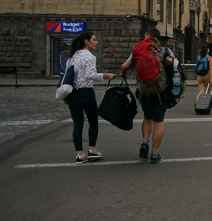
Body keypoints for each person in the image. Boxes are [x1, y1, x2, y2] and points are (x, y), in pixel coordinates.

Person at [120, 28, 173, 163]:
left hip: (144, 91)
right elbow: (174, 69)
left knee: (147, 117)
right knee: (159, 121)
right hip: (161, 91)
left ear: (147, 36)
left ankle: (145, 142)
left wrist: (124, 73)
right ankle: (155, 153)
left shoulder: (139, 49)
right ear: (157, 38)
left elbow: (124, 66)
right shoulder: (165, 51)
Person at [66, 32, 116, 164]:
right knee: (93, 121)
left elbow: (67, 76)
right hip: (86, 93)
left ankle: (79, 154)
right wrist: (106, 75)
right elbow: (90, 75)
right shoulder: (90, 57)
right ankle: (91, 150)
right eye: (94, 40)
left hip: (72, 93)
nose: (96, 42)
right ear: (86, 42)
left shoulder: (72, 56)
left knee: (77, 124)